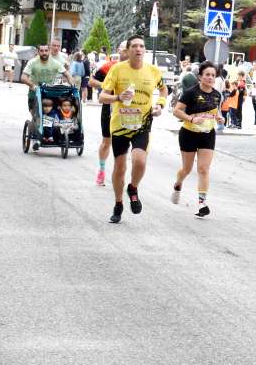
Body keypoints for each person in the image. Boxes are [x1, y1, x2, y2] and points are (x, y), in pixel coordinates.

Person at [99, 36, 167, 224]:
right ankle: (118, 204)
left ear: (145, 50)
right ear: (127, 51)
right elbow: (102, 97)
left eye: (141, 46)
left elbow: (163, 90)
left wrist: (160, 106)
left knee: (140, 161)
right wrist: (118, 97)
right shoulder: (117, 70)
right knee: (120, 167)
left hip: (142, 124)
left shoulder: (153, 71)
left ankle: (133, 187)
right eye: (134, 46)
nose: (138, 49)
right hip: (120, 124)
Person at [171, 61, 224, 218]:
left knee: (203, 169)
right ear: (200, 76)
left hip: (208, 134)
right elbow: (177, 111)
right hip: (189, 134)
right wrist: (191, 119)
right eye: (207, 74)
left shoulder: (217, 94)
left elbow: (215, 111)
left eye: (213, 75)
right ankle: (178, 183)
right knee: (186, 169)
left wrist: (219, 117)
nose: (210, 78)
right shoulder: (190, 92)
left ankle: (202, 203)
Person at [89, 45, 124, 186]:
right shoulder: (109, 66)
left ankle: (119, 174)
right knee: (106, 142)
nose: (128, 51)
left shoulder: (139, 69)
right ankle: (102, 170)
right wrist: (107, 85)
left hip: (128, 112)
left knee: (122, 145)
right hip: (109, 108)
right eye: (124, 48)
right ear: (120, 50)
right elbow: (91, 82)